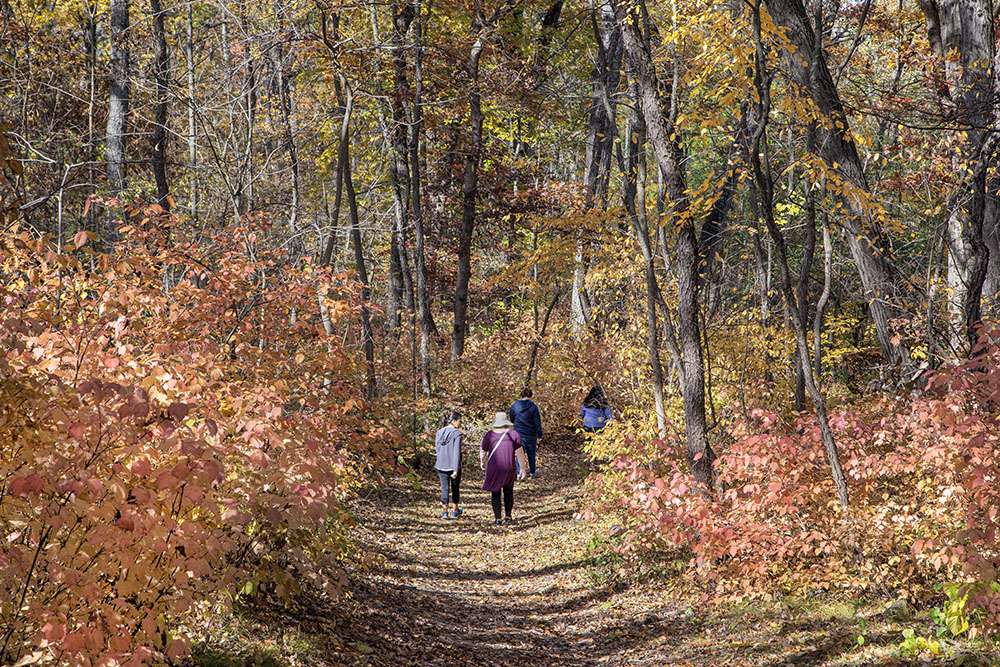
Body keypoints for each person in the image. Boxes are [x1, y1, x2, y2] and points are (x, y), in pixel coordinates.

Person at [480, 412, 528, 525]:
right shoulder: (514, 434)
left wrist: (482, 461)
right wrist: (522, 468)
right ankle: (508, 516)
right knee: (508, 491)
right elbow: (520, 452)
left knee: (495, 492)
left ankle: (498, 518)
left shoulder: (489, 435)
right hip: (509, 467)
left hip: (494, 467)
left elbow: (483, 451)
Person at [434, 409, 464, 519]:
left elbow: (437, 448)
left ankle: (444, 512)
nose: (461, 424)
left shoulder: (439, 432)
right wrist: (455, 469)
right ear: (454, 421)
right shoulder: (457, 434)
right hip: (453, 465)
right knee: (455, 488)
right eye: (460, 421)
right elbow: (456, 452)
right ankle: (455, 510)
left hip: (441, 464)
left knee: (444, 488)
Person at [509, 388, 542, 477]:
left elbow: (511, 418)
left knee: (519, 452)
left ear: (521, 395)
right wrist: (539, 434)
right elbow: (537, 421)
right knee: (531, 452)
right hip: (531, 433)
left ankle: (518, 473)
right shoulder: (533, 406)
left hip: (518, 432)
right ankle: (532, 472)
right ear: (531, 396)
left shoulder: (514, 406)